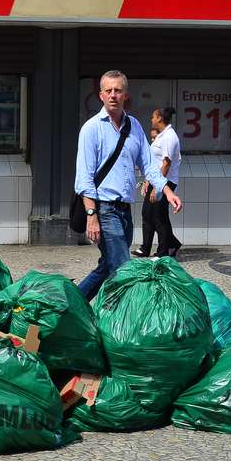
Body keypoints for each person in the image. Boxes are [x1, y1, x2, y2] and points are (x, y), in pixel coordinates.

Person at [75, 70, 183, 301]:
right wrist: (91, 215)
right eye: (108, 90)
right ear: (101, 95)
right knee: (124, 269)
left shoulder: (133, 126)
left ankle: (72, 304)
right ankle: (124, 322)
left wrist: (167, 190)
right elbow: (84, 178)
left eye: (118, 90)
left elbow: (149, 165)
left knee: (107, 266)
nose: (113, 95)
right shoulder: (91, 129)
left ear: (126, 95)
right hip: (104, 209)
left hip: (124, 210)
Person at [133, 107, 183, 259]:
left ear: (160, 118)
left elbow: (166, 164)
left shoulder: (170, 137)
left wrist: (158, 186)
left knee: (158, 217)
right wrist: (149, 180)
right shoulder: (162, 135)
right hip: (157, 180)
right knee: (149, 214)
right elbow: (154, 162)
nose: (151, 120)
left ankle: (164, 251)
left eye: (153, 117)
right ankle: (155, 246)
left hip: (165, 182)